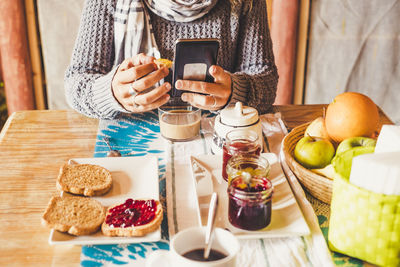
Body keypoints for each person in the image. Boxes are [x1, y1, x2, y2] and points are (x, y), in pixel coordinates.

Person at [64, 0, 278, 119]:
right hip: (126, 143)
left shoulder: (243, 3)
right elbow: (77, 83)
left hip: (216, 141)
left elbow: (265, 82)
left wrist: (235, 92)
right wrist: (110, 93)